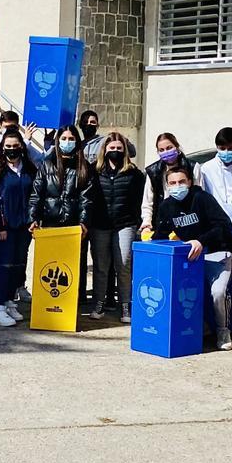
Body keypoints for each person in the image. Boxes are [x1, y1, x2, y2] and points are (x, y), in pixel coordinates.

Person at [153, 166, 232, 350]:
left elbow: (224, 226)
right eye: (172, 183)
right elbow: (160, 234)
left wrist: (201, 241)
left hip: (218, 254)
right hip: (191, 258)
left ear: (190, 182)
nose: (177, 186)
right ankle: (198, 327)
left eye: (181, 182)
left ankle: (223, 331)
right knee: (184, 294)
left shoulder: (202, 198)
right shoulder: (166, 206)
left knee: (218, 293)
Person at [88, 132, 146, 324]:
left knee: (124, 265)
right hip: (100, 225)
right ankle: (98, 303)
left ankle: (125, 305)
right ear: (104, 150)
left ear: (125, 151)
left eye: (119, 149)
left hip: (125, 225)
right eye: (112, 148)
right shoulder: (94, 171)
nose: (115, 152)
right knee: (101, 267)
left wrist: (137, 222)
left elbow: (140, 200)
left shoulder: (134, 174)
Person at [0, 128, 36, 327]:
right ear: (2, 148)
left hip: (24, 226)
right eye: (8, 147)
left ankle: (9, 301)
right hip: (4, 227)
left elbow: (35, 195)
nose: (12, 150)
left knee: (18, 265)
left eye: (16, 146)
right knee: (3, 266)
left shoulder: (30, 169)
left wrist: (34, 219)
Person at [29, 124, 93, 234]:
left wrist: (83, 222)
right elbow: (37, 195)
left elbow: (86, 199)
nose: (67, 142)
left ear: (76, 141)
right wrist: (33, 219)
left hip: (75, 227)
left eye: (71, 139)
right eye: (64, 138)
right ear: (58, 141)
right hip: (50, 225)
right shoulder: (47, 164)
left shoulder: (84, 167)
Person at [140, 132, 202, 236]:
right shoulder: (153, 171)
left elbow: (200, 197)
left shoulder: (192, 167)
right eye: (161, 150)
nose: (166, 152)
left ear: (177, 147)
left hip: (187, 220)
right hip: (162, 221)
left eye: (169, 148)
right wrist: (147, 223)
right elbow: (148, 202)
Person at [200, 127, 232, 229]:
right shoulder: (207, 169)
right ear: (217, 147)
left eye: (230, 148)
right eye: (222, 148)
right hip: (218, 225)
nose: (226, 152)